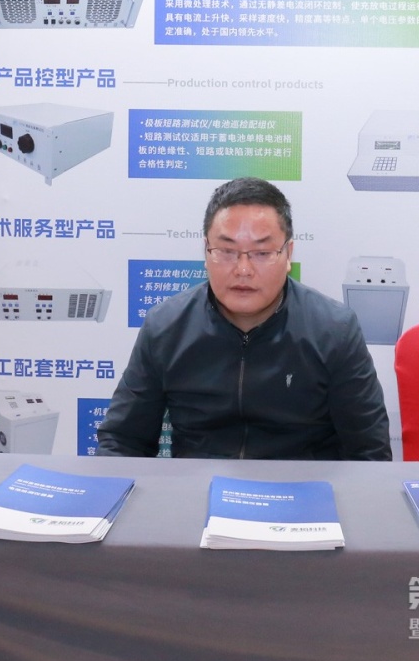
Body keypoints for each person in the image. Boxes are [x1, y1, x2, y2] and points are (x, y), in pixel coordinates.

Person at [96, 177, 391, 460]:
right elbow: (122, 441)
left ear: (288, 254)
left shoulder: (334, 330)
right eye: (226, 251)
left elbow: (368, 452)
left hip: (301, 488)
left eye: (262, 252)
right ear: (206, 251)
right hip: (199, 485)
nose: (243, 269)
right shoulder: (166, 326)